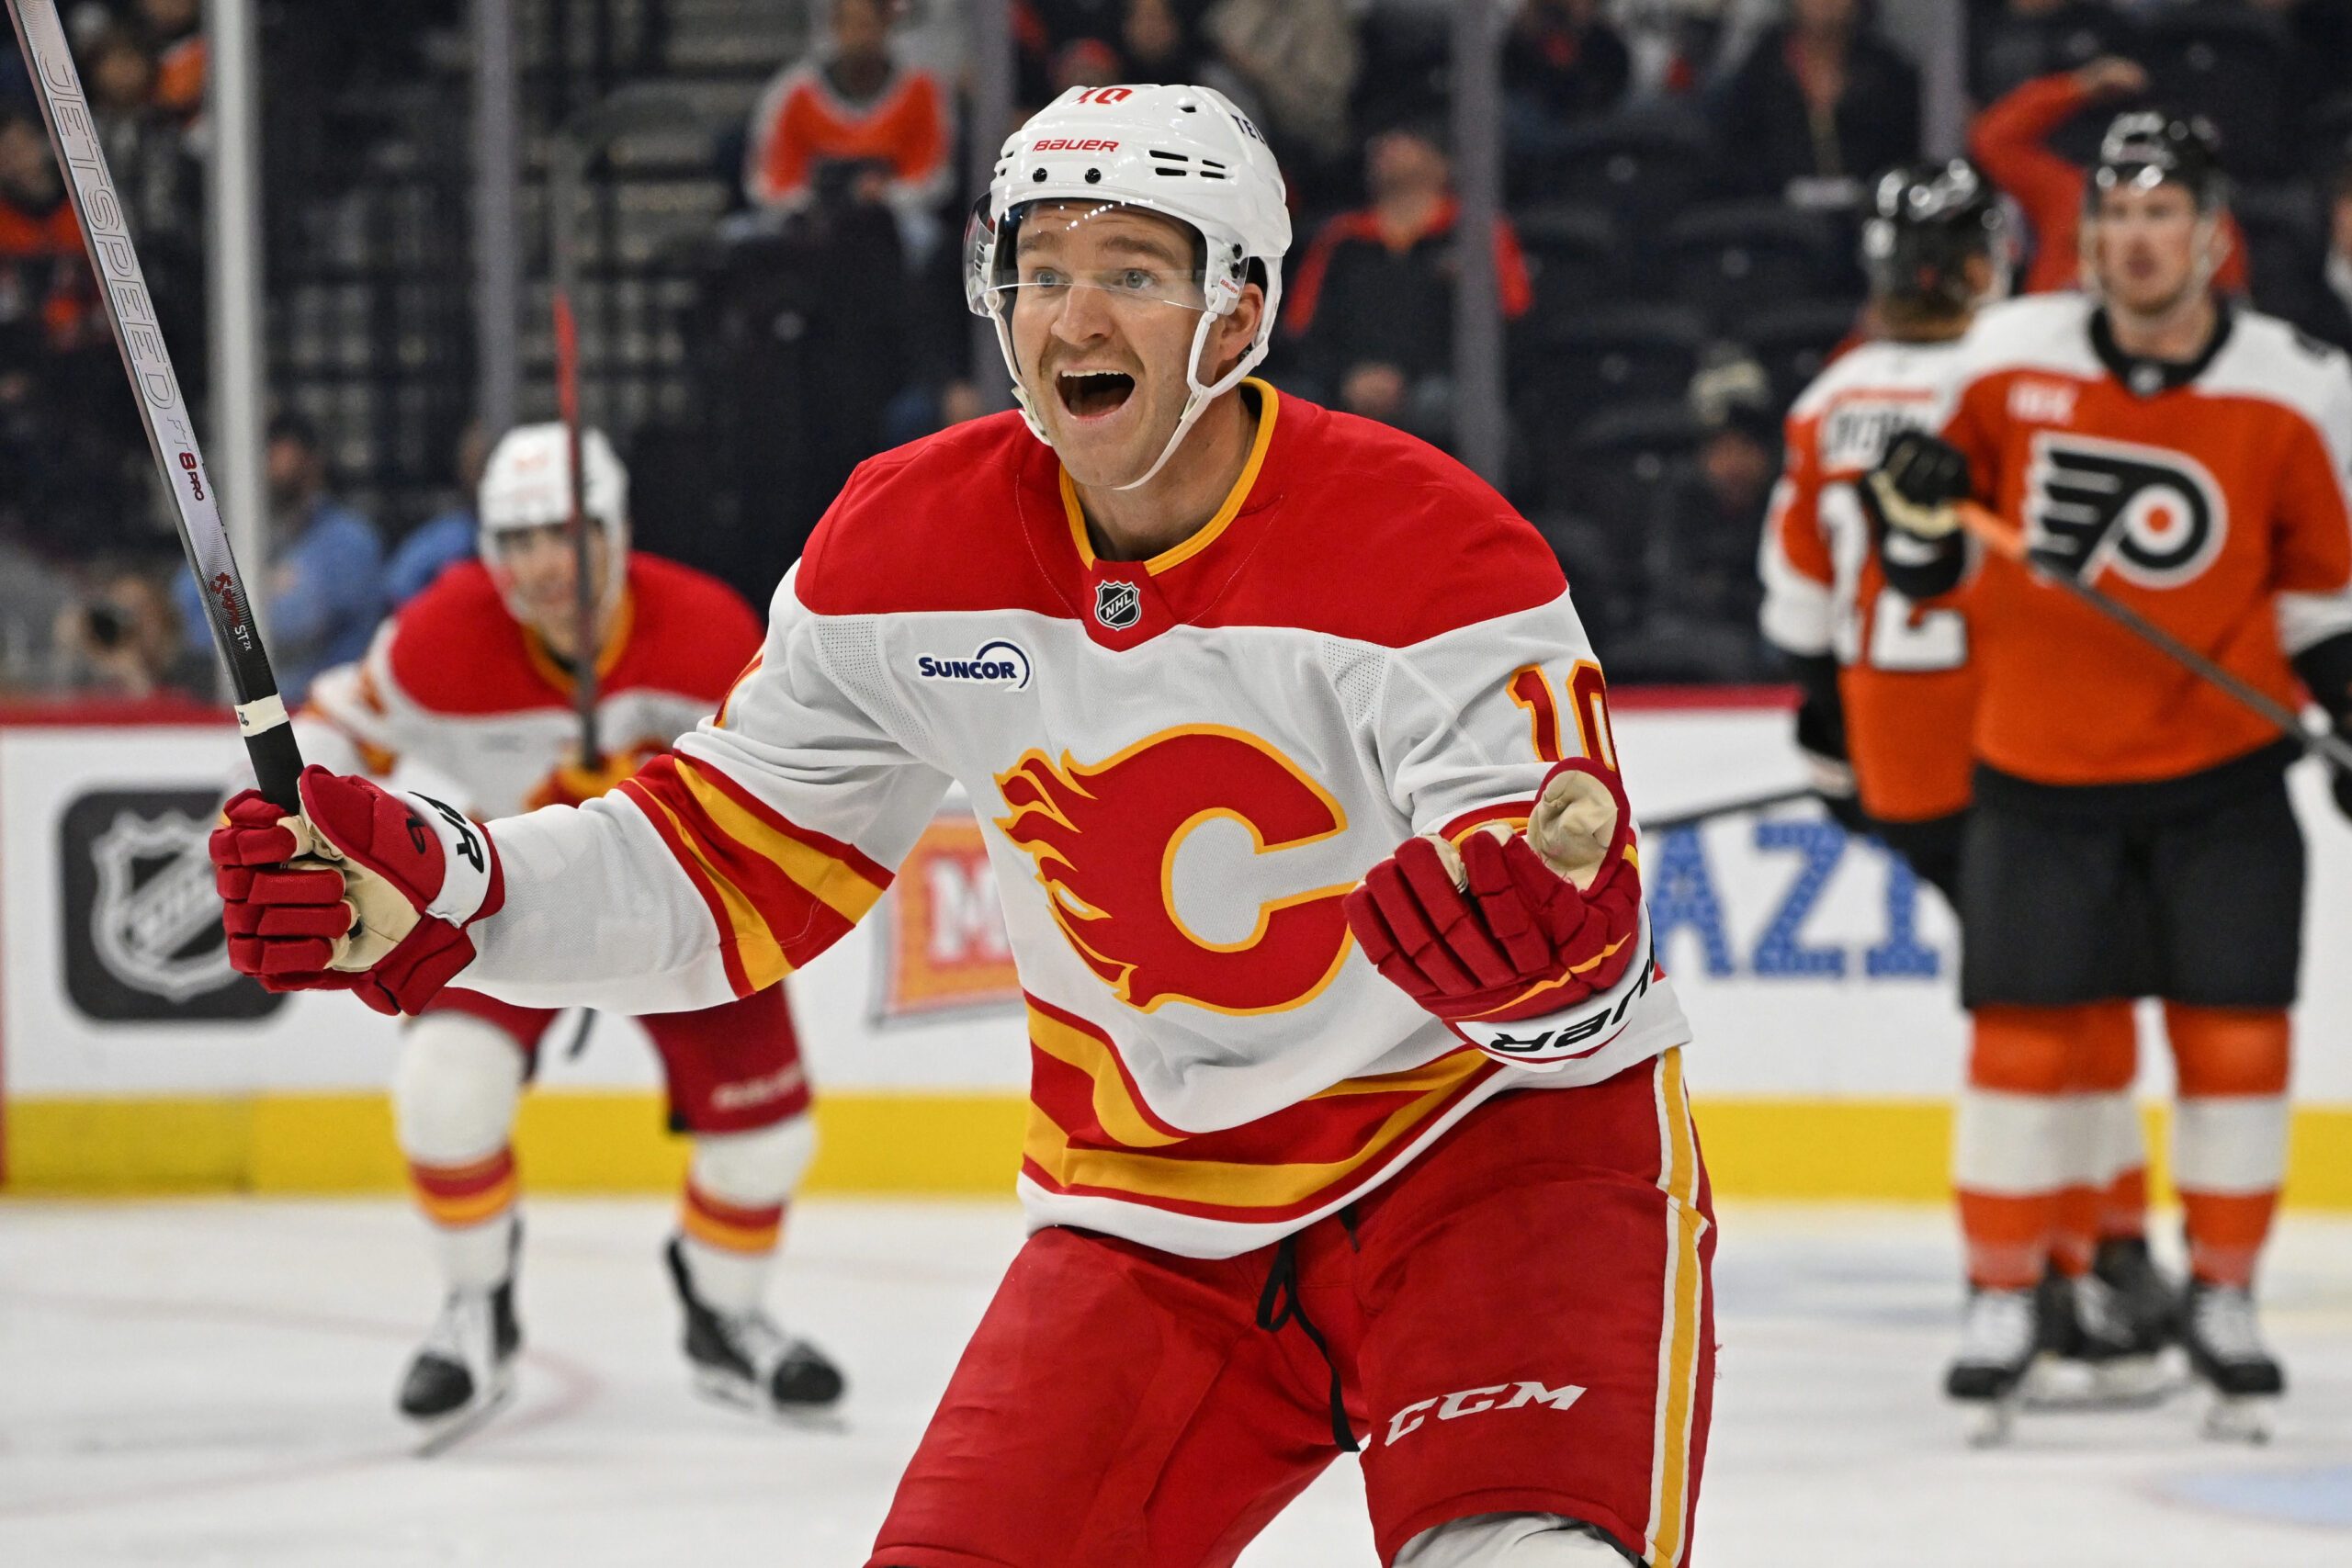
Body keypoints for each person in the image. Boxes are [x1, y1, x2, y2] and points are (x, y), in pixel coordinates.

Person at [213, 85, 1711, 1566]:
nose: (1071, 317)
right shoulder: (904, 543)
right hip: (1151, 1209)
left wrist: (1554, 970)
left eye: (1132, 271)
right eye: (1040, 270)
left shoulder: (1429, 548)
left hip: (1490, 1167)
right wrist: (459, 888)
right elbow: (717, 865)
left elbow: (1563, 930)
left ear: (1238, 317)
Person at [1864, 111, 2352, 1437]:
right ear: (2090, 238)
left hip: (2226, 773)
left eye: (2162, 214)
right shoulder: (2004, 357)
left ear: (2213, 235)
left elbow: (2319, 600)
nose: (2135, 242)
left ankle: (2228, 1295)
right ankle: (2002, 1295)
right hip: (2038, 768)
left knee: (2236, 1045)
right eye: (2114, 218)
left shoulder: (2300, 384)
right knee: (2020, 1047)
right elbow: (1929, 554)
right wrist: (1908, 511)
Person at [294, 423, 842, 1438]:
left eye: (567, 532)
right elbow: (336, 718)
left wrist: (643, 797)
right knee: (443, 1091)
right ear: (487, 550)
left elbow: (782, 779)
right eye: (518, 539)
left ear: (617, 530)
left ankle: (726, 1318)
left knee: (767, 1143)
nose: (544, 564)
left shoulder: (712, 629)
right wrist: (299, 822)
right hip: (512, 904)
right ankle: (475, 1308)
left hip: (682, 911)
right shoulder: (438, 636)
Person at [1758, 159, 2166, 1397]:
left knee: (2065, 988)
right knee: (2059, 1001)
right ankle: (2060, 1267)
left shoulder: (1829, 401)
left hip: (1905, 759)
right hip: (2023, 747)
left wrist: (1839, 745)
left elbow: (1799, 612)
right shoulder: (2026, 385)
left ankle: (2104, 1251)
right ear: (1984, 261)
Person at [1282, 124, 1533, 442]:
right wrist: (1346, 378)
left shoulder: (1479, 233)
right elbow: (1303, 330)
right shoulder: (1341, 238)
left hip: (1439, 384)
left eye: (1405, 138)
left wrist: (1409, 378)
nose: (1386, 146)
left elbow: (1511, 326)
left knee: (1446, 406)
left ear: (1443, 162)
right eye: (1382, 139)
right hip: (1345, 385)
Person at [1970, 57, 2251, 298]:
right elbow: (1994, 140)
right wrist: (2078, 86)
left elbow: (2230, 307)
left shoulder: (2202, 213)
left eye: (2157, 213)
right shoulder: (2070, 192)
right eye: (2115, 213)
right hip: (2052, 346)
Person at [171, 413, 382, 704]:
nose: (264, 463)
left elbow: (294, 627)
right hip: (236, 710)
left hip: (323, 712)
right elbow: (187, 621)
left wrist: (252, 592)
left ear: (311, 461)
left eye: (277, 448)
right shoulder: (230, 536)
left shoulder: (350, 542)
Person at [743, 0, 953, 259]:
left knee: (927, 239)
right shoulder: (793, 93)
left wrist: (888, 194)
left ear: (886, 25)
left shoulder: (921, 91)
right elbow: (768, 181)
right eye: (850, 25)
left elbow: (934, 176)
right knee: (742, 237)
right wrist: (816, 201)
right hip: (811, 219)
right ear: (834, 27)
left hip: (895, 219)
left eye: (866, 25)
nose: (859, 37)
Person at [1713, 0, 1920, 205]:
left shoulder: (1889, 75)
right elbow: (1736, 158)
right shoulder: (1761, 69)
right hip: (1774, 223)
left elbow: (1904, 162)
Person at [383, 422, 491, 606]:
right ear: (462, 471)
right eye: (479, 467)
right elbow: (396, 593)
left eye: (490, 465)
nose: (486, 478)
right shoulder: (442, 541)